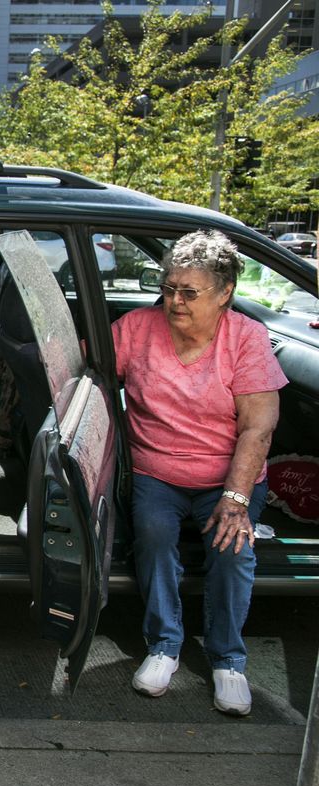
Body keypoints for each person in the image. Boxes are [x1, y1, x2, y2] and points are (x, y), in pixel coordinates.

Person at [112, 229, 286, 716]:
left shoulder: (246, 339)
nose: (175, 301)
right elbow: (83, 364)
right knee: (152, 533)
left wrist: (235, 499)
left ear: (225, 292)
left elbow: (257, 429)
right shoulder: (136, 328)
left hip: (228, 477)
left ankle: (227, 659)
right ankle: (164, 645)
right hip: (157, 471)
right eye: (168, 288)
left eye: (190, 292)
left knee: (232, 549)